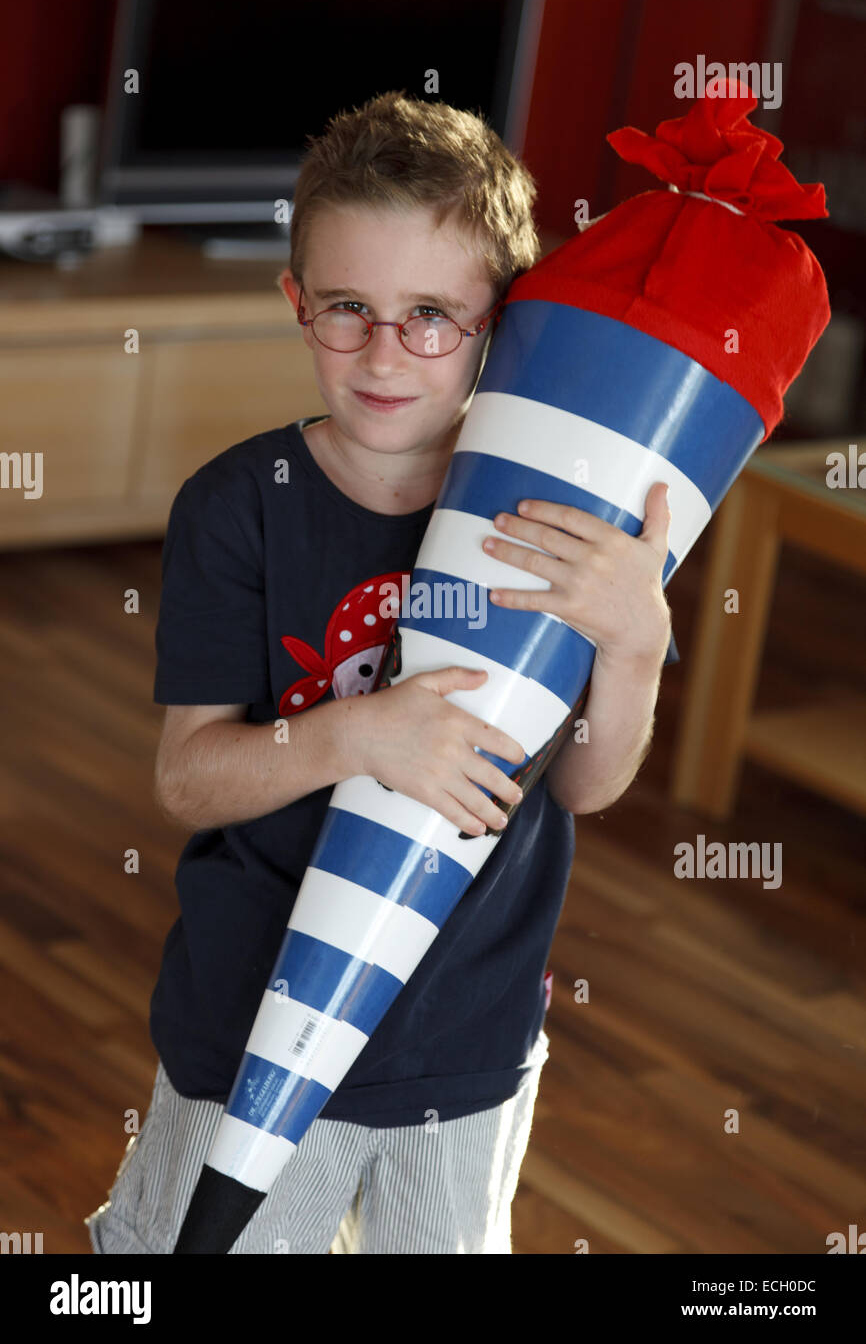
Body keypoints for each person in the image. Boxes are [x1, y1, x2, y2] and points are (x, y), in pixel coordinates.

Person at [85, 90, 677, 1255]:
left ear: (497, 329)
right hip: (251, 1022)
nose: (383, 351)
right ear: (296, 303)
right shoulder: (236, 511)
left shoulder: (551, 521)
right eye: (347, 308)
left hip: (467, 1038)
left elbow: (584, 787)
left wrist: (636, 640)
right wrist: (357, 737)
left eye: (430, 317)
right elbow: (189, 780)